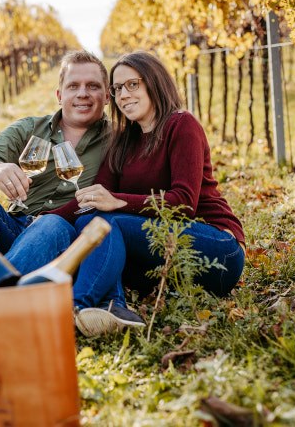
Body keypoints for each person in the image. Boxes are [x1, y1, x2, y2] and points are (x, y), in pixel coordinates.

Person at [49, 51, 245, 337]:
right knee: (87, 223)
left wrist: (119, 201)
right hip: (163, 252)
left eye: (132, 84)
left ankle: (77, 306)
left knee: (107, 223)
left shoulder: (182, 125)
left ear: (154, 82)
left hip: (216, 248)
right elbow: (93, 198)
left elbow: (184, 204)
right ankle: (112, 306)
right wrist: (42, 219)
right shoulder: (123, 141)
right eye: (117, 89)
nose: (124, 95)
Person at [0, 50, 110, 275]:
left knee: (52, 224)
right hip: (14, 227)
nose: (82, 93)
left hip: (61, 239)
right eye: (73, 86)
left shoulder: (118, 141)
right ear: (59, 95)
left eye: (92, 86)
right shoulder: (30, 129)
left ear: (107, 96)